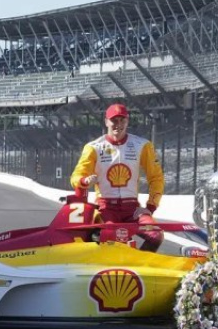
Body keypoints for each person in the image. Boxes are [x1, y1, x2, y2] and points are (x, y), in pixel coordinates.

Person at [70, 103, 165, 252]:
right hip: (105, 208)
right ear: (106, 121)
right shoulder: (94, 147)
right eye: (114, 120)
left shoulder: (142, 145)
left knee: (156, 235)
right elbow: (77, 175)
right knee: (111, 240)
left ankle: (138, 267)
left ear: (127, 122)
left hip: (132, 209)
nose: (118, 125)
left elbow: (156, 177)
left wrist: (150, 207)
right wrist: (84, 181)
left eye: (122, 120)